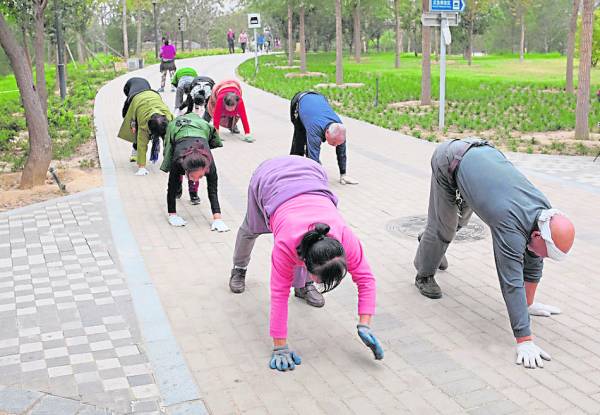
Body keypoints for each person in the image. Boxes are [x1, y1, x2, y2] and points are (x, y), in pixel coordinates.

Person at [414, 138, 575, 369]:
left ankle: (431, 246)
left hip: (477, 165)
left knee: (457, 222)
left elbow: (534, 259)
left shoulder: (544, 214)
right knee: (444, 228)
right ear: (539, 236)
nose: (545, 257)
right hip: (449, 161)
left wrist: (528, 305)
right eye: (548, 252)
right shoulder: (509, 224)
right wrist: (525, 339)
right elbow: (511, 281)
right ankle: (424, 274)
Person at [228, 155, 383, 371]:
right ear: (307, 266)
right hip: (270, 179)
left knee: (303, 259)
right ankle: (239, 268)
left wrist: (365, 324)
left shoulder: (345, 239)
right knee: (251, 229)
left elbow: (366, 279)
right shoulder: (286, 245)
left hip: (311, 173)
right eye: (316, 278)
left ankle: (302, 287)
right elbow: (279, 294)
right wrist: (279, 346)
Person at [160, 111, 228, 231]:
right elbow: (170, 188)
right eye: (194, 177)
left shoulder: (210, 165)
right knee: (175, 182)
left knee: (204, 177)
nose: (197, 180)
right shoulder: (177, 161)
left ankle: (192, 187)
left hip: (199, 125)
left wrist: (218, 219)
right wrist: (172, 215)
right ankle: (181, 184)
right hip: (178, 127)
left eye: (201, 176)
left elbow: (213, 190)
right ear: (185, 170)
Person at [290, 91, 358, 185]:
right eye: (334, 143)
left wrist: (343, 174)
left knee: (311, 145)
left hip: (319, 97)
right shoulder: (315, 129)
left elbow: (341, 152)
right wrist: (317, 180)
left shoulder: (340, 130)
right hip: (299, 101)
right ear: (327, 133)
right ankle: (293, 170)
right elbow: (313, 156)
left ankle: (310, 167)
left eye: (337, 143)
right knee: (300, 138)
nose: (335, 145)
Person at [119, 77, 173, 176]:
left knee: (169, 138)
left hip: (154, 95)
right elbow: (142, 145)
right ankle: (134, 152)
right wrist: (141, 167)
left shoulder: (169, 118)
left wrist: (170, 163)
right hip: (136, 98)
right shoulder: (144, 123)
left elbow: (169, 141)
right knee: (136, 133)